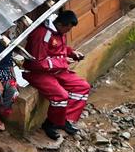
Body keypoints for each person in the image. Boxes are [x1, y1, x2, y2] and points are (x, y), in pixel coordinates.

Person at [23, 9, 90, 140]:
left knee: (83, 87)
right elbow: (39, 62)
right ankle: (50, 124)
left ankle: (63, 120)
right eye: (68, 29)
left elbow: (60, 49)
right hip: (39, 73)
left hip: (57, 70)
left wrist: (72, 53)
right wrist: (63, 61)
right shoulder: (42, 34)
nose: (68, 32)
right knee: (61, 96)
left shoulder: (59, 32)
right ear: (60, 25)